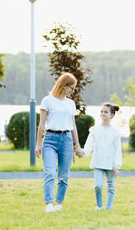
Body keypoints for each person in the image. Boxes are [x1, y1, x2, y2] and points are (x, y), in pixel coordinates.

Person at [35, 72, 84, 213]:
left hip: (67, 140)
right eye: (72, 88)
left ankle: (59, 203)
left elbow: (73, 126)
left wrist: (77, 146)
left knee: (63, 175)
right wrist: (38, 144)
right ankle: (49, 203)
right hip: (50, 139)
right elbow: (42, 124)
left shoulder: (70, 103)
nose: (72, 91)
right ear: (63, 85)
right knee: (50, 172)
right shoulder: (47, 101)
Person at [83, 102, 122, 211]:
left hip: (110, 164)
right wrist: (83, 152)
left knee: (111, 187)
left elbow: (117, 150)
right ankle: (99, 206)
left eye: (106, 112)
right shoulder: (94, 130)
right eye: (101, 111)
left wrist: (116, 166)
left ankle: (108, 208)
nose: (103, 113)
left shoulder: (115, 132)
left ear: (112, 115)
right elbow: (89, 145)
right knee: (98, 186)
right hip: (98, 162)